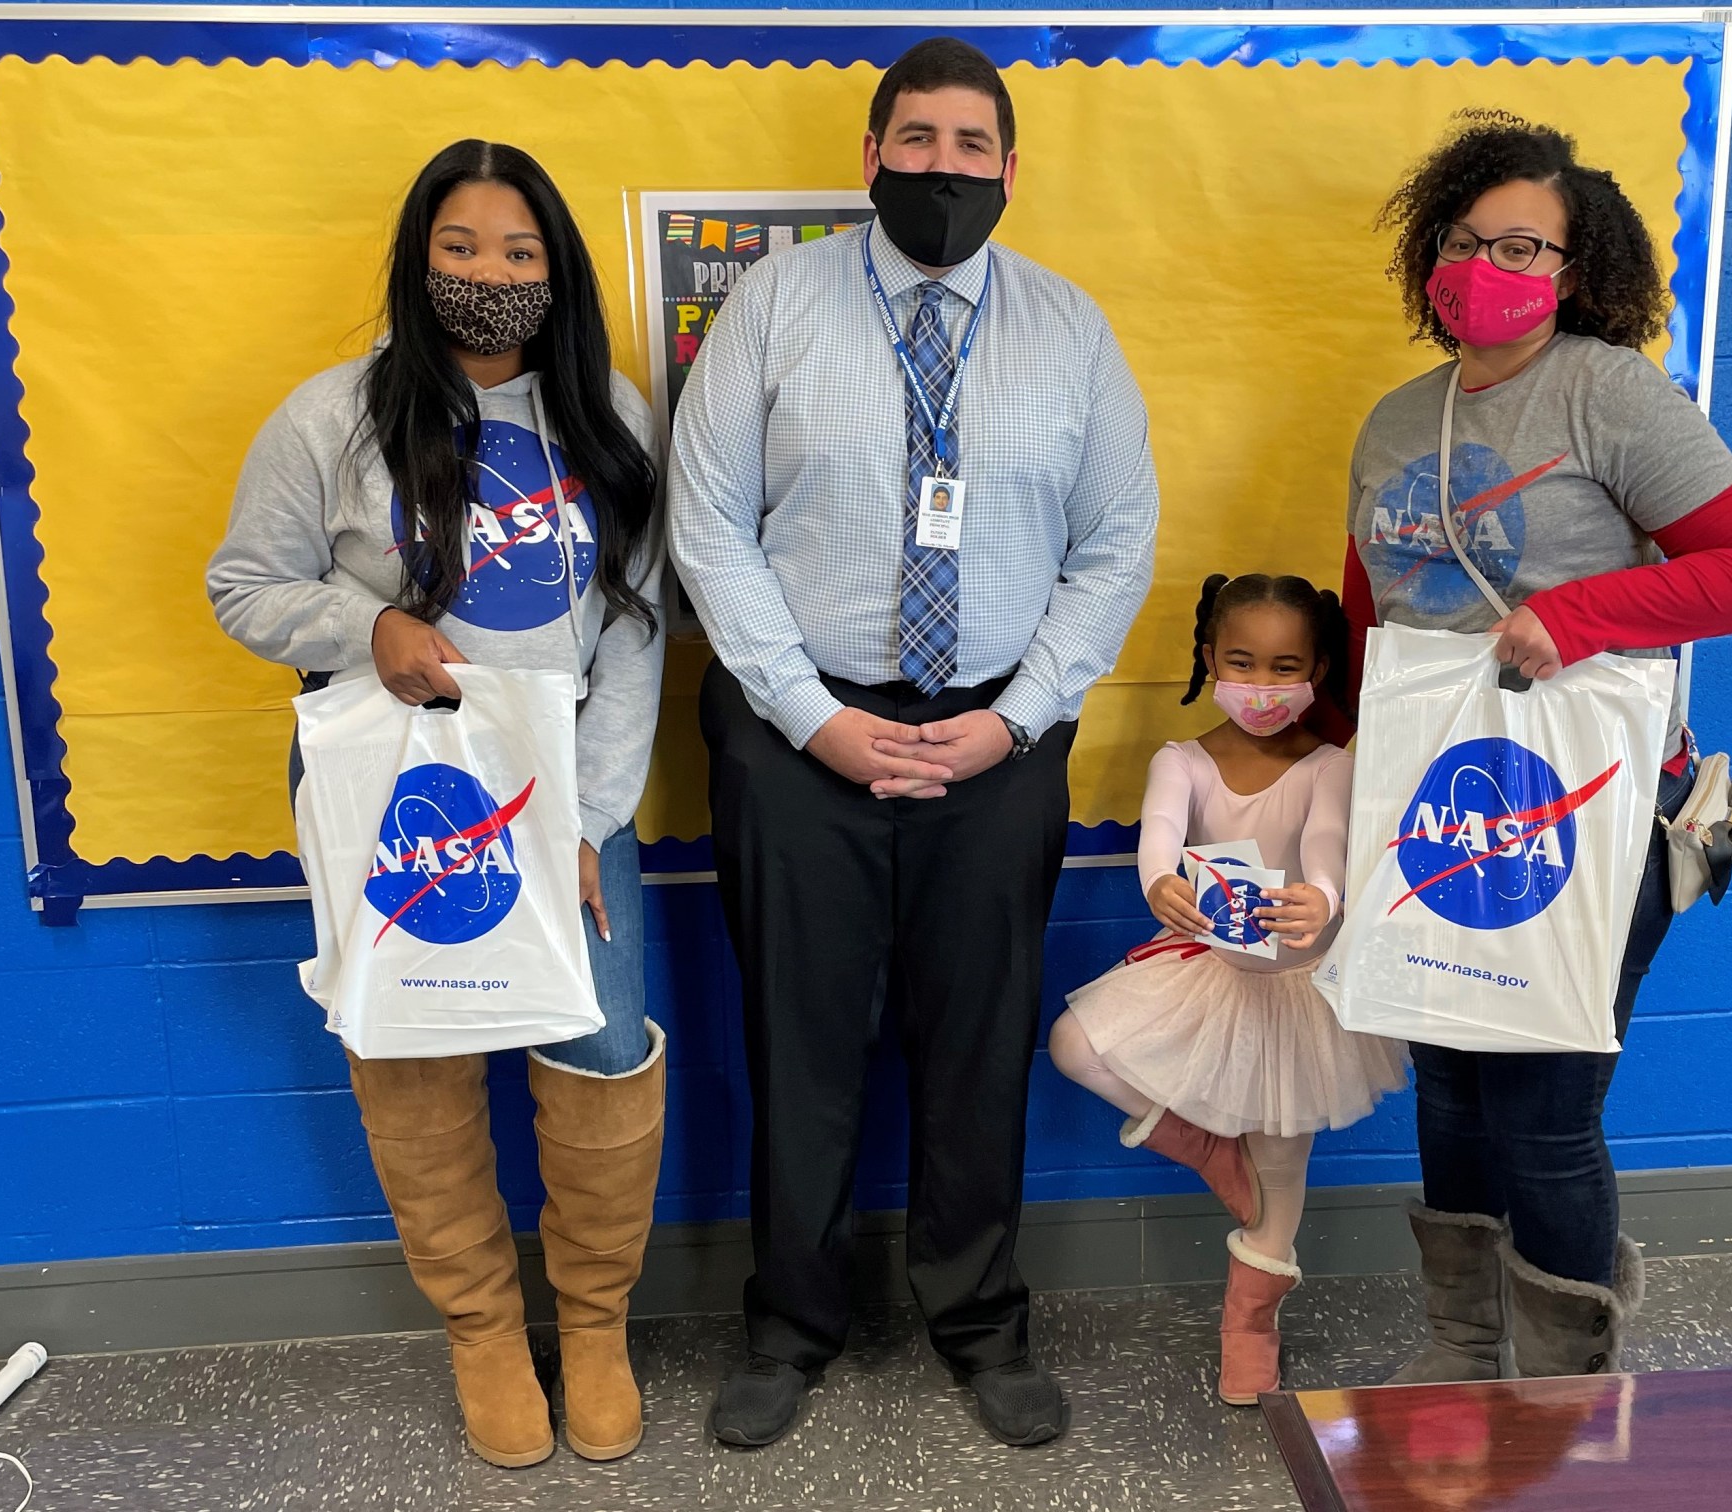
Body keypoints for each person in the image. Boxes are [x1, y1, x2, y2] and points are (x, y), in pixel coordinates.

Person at [669, 37, 1158, 1449]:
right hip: (795, 730)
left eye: (972, 145)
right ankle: (792, 1324)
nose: (943, 166)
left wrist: (1014, 720)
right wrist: (815, 720)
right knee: (801, 1040)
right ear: (872, 154)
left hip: (996, 737)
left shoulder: (1069, 327)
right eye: (917, 139)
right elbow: (707, 528)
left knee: (977, 1041)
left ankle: (981, 1321)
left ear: (1009, 167)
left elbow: (1116, 547)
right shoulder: (771, 308)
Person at [207, 140, 667, 1468]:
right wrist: (371, 629)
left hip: (566, 792)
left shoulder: (610, 416)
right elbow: (245, 585)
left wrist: (591, 819)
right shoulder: (328, 419)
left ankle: (593, 1326)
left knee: (595, 1040)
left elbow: (637, 630)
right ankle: (479, 1328)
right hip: (391, 792)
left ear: (557, 270)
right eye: (461, 248)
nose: (491, 274)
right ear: (418, 260)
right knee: (411, 1045)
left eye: (521, 253)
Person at [1347, 112, 1732, 1381]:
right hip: (1440, 809)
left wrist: (1579, 613)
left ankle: (1560, 1398)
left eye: (1524, 247)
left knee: (1542, 1112)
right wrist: (1345, 765)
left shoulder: (1608, 391)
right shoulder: (1394, 419)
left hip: (1589, 810)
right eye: (1466, 238)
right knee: (1445, 1078)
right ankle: (1461, 1355)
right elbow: (1365, 609)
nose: (1487, 265)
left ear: (1576, 272)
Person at [1049, 573, 1406, 1405]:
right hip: (1205, 972)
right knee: (1076, 1044)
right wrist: (1158, 883)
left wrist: (1324, 894)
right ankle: (1203, 1142)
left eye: (1288, 667)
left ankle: (1251, 1327)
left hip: (1298, 992)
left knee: (1280, 1158)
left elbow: (1326, 842)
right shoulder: (1181, 759)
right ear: (1209, 658)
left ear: (1319, 670)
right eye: (1243, 663)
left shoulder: (1329, 766)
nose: (1264, 686)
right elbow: (1162, 833)